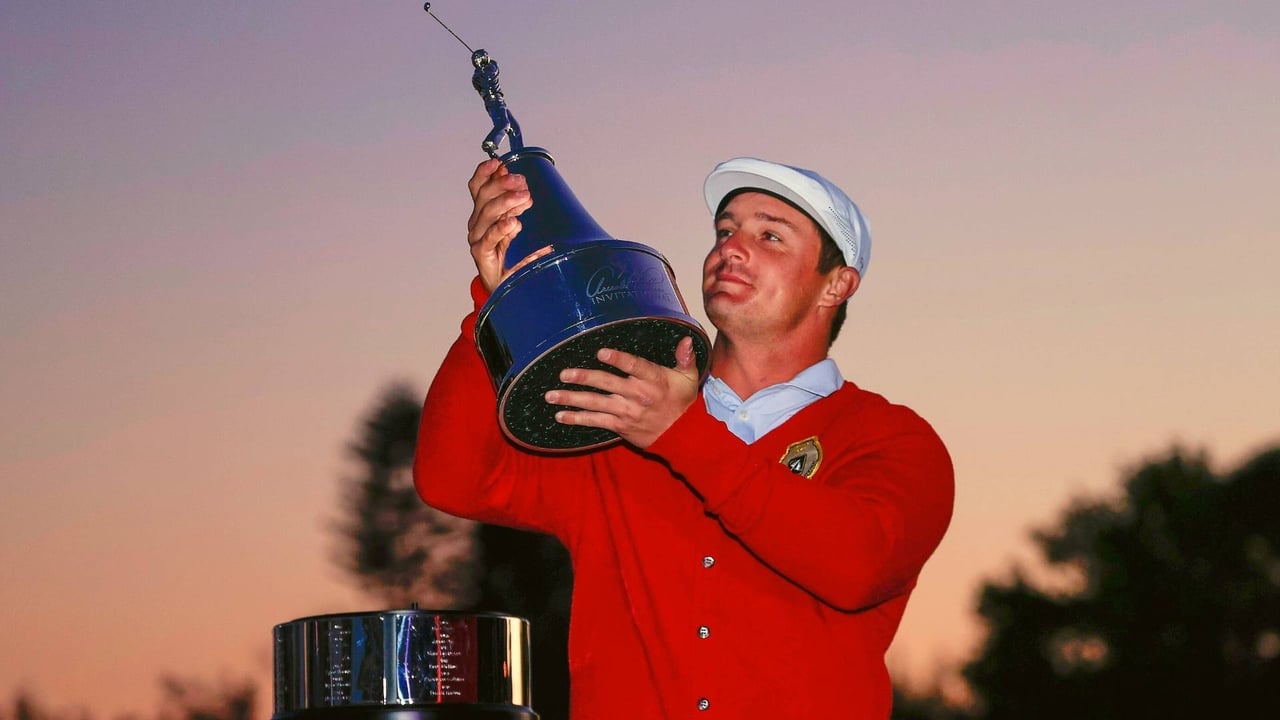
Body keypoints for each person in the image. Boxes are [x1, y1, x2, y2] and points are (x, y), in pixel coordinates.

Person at [414, 156, 954, 719]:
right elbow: (452, 478)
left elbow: (857, 566)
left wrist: (682, 435)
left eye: (770, 234)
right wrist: (503, 302)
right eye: (725, 231)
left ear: (836, 285)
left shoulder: (894, 439)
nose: (731, 248)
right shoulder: (617, 421)